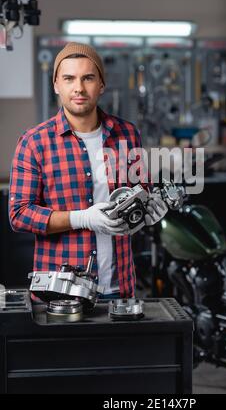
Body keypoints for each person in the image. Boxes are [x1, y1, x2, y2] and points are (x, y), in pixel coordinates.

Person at [9, 42, 167, 299]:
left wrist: (147, 211)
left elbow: (141, 190)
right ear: (56, 85)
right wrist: (82, 218)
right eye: (69, 78)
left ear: (101, 85)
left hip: (119, 289)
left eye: (88, 78)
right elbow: (19, 215)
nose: (79, 88)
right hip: (61, 293)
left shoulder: (127, 134)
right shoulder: (35, 142)